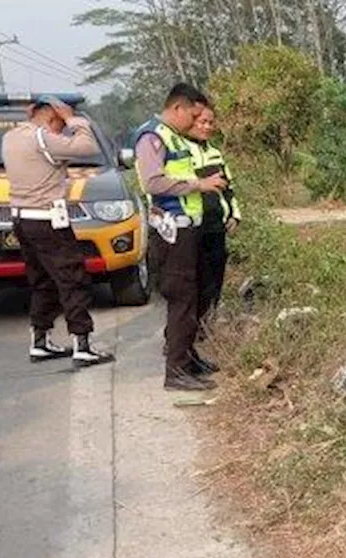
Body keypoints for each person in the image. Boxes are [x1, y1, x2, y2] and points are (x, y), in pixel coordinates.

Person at [1, 95, 113, 367]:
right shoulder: (42, 138)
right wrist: (74, 119)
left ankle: (40, 341)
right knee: (72, 278)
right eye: (60, 123)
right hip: (48, 219)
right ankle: (82, 344)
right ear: (52, 116)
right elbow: (88, 147)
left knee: (42, 280)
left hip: (21, 218)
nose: (62, 130)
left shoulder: (11, 136)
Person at [134, 83, 227, 391]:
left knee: (195, 294)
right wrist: (199, 184)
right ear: (178, 108)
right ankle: (175, 372)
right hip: (173, 231)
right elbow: (152, 182)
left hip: (191, 229)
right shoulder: (152, 137)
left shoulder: (175, 136)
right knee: (181, 300)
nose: (196, 121)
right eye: (193, 114)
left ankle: (188, 359)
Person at [186, 105, 241, 336]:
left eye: (211, 123)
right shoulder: (181, 152)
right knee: (196, 279)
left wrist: (234, 215)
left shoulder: (215, 154)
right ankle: (190, 328)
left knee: (215, 277)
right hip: (193, 225)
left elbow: (228, 188)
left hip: (217, 225)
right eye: (202, 122)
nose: (207, 127)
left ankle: (206, 324)